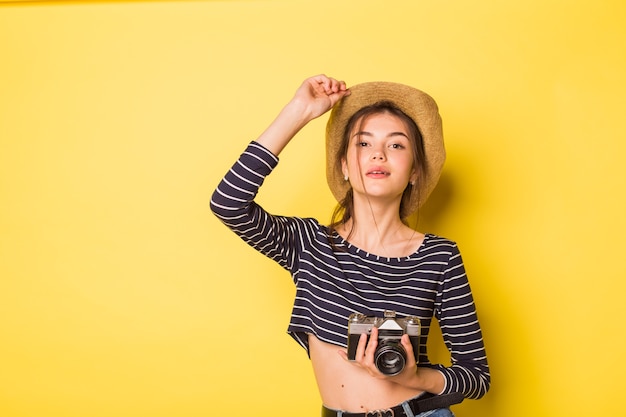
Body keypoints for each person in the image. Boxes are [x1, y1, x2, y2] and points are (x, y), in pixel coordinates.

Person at [210, 75, 490, 417]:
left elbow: (475, 376)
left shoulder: (439, 256)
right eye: (363, 144)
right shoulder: (309, 244)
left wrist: (415, 376)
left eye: (397, 145)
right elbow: (228, 203)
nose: (379, 155)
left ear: (415, 170)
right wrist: (299, 111)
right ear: (343, 165)